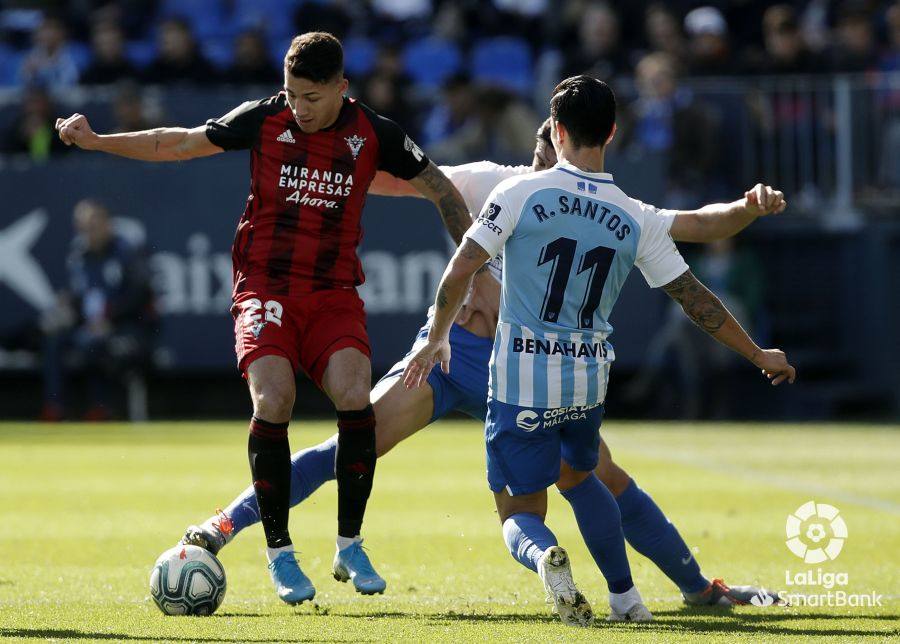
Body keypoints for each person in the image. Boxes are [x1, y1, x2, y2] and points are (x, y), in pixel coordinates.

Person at [181, 110, 792, 616]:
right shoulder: (489, 184)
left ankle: (698, 590)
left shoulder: (585, 205)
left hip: (521, 374)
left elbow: (694, 224)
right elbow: (387, 175)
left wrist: (745, 207)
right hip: (462, 359)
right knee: (355, 443)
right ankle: (224, 525)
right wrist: (310, 164)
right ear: (546, 146)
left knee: (600, 478)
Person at [54, 31, 472, 605]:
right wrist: (100, 141)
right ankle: (279, 553)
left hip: (332, 292)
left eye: (310, 97)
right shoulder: (264, 118)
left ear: (341, 89)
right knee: (273, 401)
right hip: (266, 287)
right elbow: (175, 143)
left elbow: (442, 190)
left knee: (355, 394)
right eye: (291, 93)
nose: (297, 107)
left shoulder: (376, 134)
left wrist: (478, 263)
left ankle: (350, 543)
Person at [401, 75, 795, 625]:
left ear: (557, 132)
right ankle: (626, 599)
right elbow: (696, 297)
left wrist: (438, 336)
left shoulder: (517, 194)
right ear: (611, 131)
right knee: (584, 479)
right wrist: (758, 354)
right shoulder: (633, 214)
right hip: (587, 382)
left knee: (519, 509)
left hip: (520, 380)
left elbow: (462, 266)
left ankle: (544, 556)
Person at [40, 199, 155, 421]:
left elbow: (140, 294)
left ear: (107, 224)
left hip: (125, 327)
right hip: (88, 326)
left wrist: (110, 317)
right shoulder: (79, 256)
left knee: (92, 343)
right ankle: (55, 407)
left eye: (94, 225)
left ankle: (101, 407)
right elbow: (80, 295)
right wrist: (69, 306)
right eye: (83, 227)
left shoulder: (126, 253)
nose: (88, 232)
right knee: (55, 341)